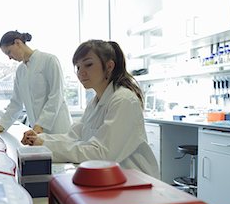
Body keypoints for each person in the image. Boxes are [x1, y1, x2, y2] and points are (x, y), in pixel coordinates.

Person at [22, 39, 160, 179]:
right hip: (112, 179)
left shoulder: (123, 100)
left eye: (88, 64)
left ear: (109, 66)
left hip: (135, 183)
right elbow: (73, 136)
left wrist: (45, 145)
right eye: (78, 67)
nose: (81, 73)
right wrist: (39, 139)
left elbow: (102, 154)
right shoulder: (95, 103)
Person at [0, 30, 72, 134]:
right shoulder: (20, 71)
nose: (9, 58)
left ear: (18, 43)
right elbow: (16, 103)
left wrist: (40, 125)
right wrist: (2, 125)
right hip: (37, 130)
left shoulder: (49, 60)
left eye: (9, 52)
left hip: (58, 128)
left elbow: (56, 96)